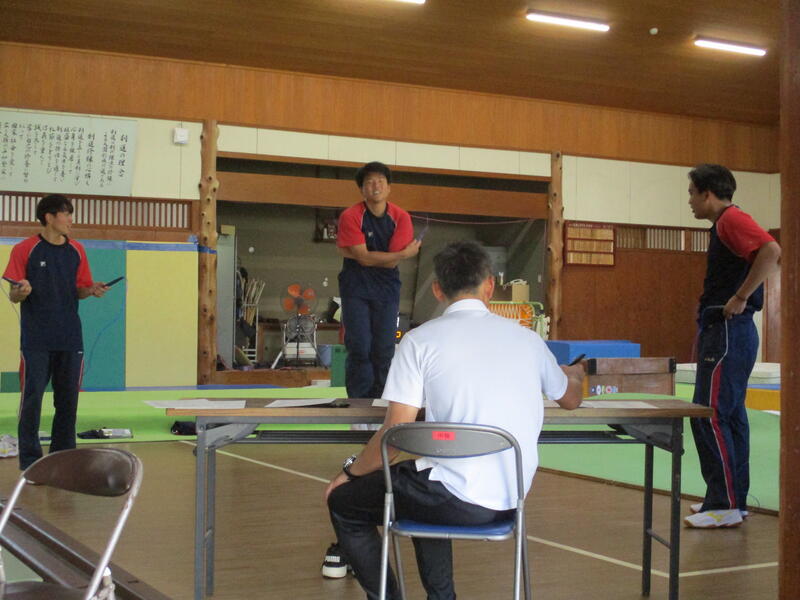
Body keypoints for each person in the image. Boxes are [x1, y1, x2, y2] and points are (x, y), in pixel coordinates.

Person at [324, 240, 584, 599]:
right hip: (511, 497)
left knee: (345, 503)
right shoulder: (528, 340)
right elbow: (571, 399)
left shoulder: (419, 341)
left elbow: (395, 435)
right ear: (489, 285)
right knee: (421, 481)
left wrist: (349, 473)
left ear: (437, 289)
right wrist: (575, 375)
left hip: (451, 498)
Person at [684, 164, 780, 529]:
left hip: (727, 332)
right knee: (731, 415)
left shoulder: (731, 220)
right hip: (730, 332)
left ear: (708, 194)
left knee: (709, 414)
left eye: (692, 193)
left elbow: (771, 250)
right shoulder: (724, 225)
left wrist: (740, 296)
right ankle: (732, 500)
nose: (689, 201)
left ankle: (723, 503)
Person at [2, 193, 108, 471]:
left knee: (68, 402)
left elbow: (80, 290)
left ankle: (64, 461)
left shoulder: (77, 250)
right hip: (36, 340)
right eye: (66, 213)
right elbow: (14, 294)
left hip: (70, 338)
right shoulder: (25, 249)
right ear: (49, 217)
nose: (71, 219)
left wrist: (92, 289)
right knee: (32, 400)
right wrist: (21, 291)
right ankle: (30, 462)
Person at [336, 161, 421, 399]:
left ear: (389, 187)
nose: (376, 186)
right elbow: (365, 259)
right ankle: (358, 400)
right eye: (370, 182)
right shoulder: (351, 215)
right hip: (355, 287)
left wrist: (361, 255)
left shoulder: (401, 217)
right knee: (359, 346)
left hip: (387, 288)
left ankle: (382, 399)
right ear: (361, 189)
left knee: (384, 348)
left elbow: (386, 262)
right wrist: (403, 254)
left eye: (381, 181)